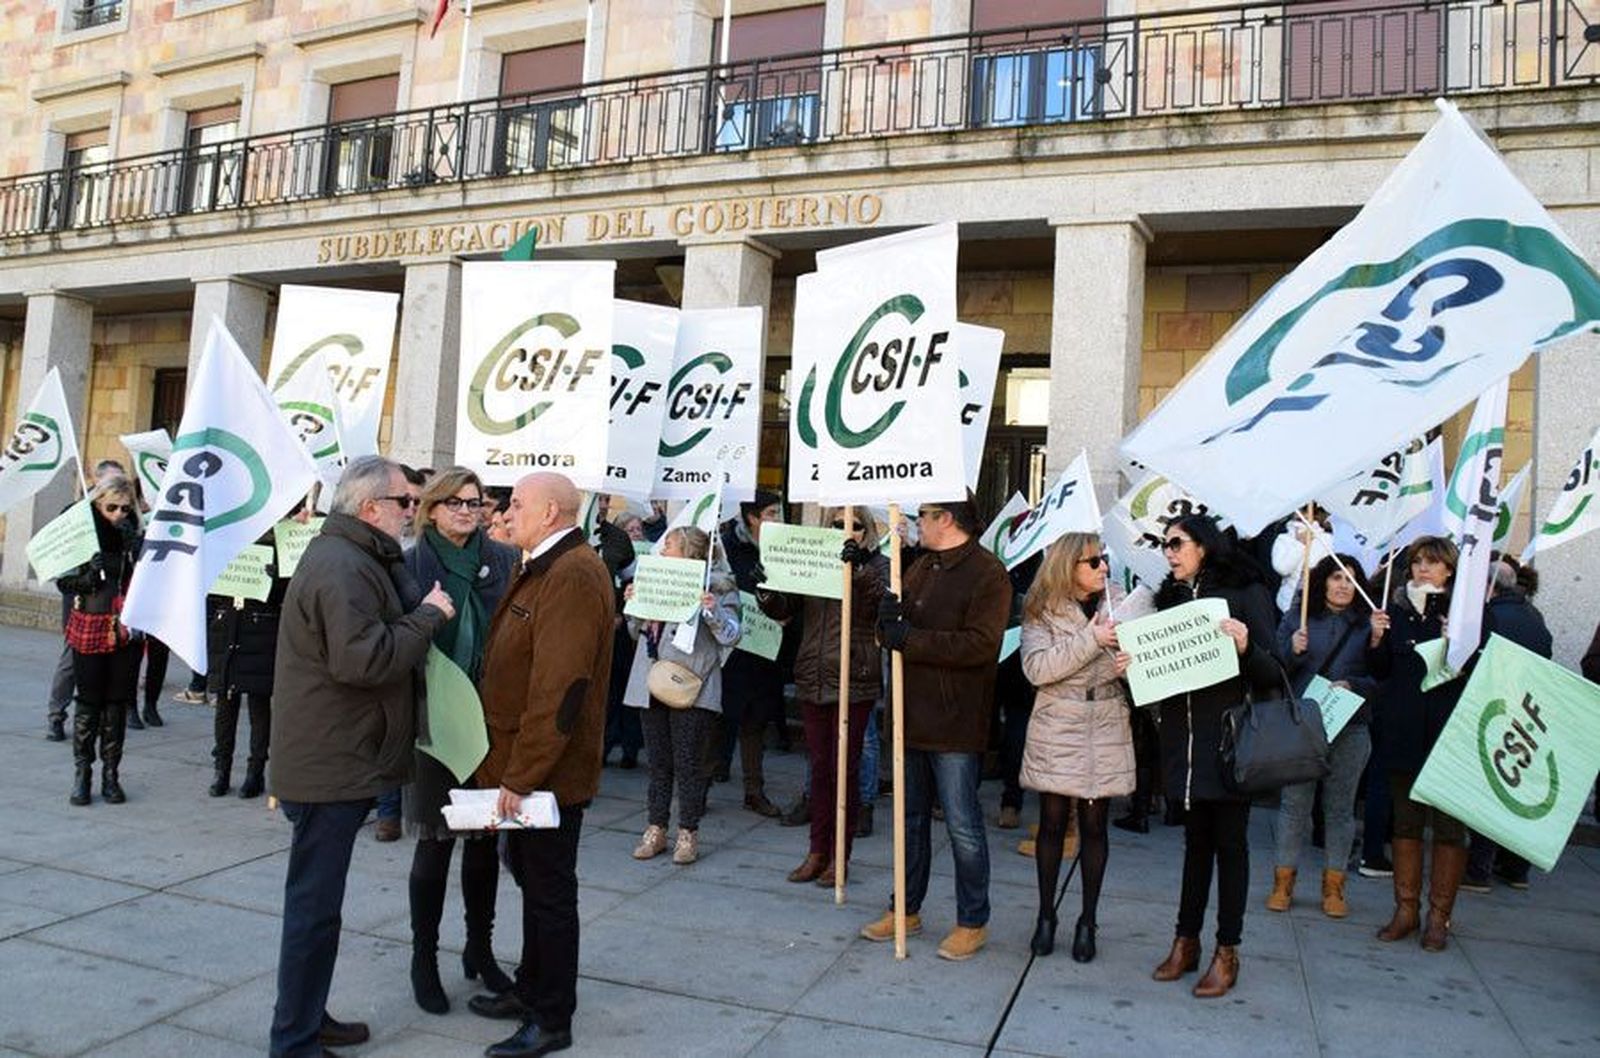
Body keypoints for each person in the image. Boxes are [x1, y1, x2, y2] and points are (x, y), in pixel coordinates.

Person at [267, 456, 455, 1058]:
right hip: (331, 763)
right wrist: (428, 616)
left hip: (340, 755)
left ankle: (305, 1019)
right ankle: (293, 1040)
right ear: (371, 508)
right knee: (313, 912)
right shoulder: (343, 565)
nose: (413, 512)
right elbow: (363, 660)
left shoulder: (358, 557)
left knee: (319, 911)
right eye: (406, 502)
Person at [466, 472, 614, 1058]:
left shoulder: (573, 573)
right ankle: (530, 989)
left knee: (550, 893)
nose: (507, 511)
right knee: (533, 883)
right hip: (521, 766)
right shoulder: (545, 564)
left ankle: (551, 1017)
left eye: (517, 503)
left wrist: (522, 775)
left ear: (551, 511)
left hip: (545, 775)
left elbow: (560, 689)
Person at [861, 498, 1011, 961]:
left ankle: (973, 919)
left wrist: (913, 639)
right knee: (909, 821)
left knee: (963, 824)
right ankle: (905, 908)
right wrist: (888, 620)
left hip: (954, 721)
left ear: (946, 519)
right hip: (909, 714)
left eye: (923, 515)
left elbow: (982, 645)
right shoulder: (923, 565)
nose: (915, 523)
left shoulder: (988, 574)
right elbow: (897, 627)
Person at [400, 467, 521, 1016]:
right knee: (434, 843)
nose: (468, 511)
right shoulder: (410, 563)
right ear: (432, 508)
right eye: (456, 503)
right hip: (435, 717)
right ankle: (423, 958)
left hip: (490, 717)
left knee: (482, 842)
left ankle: (480, 947)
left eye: (476, 502)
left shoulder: (501, 560)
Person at [1148, 514, 1280, 998]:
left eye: (1176, 543)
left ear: (1203, 546)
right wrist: (1131, 667)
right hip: (1183, 745)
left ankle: (1228, 950)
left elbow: (1274, 670)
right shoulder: (1170, 597)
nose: (1169, 552)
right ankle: (1186, 941)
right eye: (1164, 545)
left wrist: (1246, 648)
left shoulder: (1246, 592)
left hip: (1229, 743)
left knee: (1231, 846)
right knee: (1195, 846)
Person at [1018, 533, 1134, 963]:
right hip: (1058, 723)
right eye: (1092, 561)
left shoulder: (1121, 603)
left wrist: (1128, 668)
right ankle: (1046, 916)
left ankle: (1088, 921)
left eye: (1103, 559)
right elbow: (1038, 668)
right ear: (1069, 565)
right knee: (1051, 822)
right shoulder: (1041, 609)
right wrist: (1092, 640)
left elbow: (1139, 666)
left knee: (1095, 825)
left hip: (1104, 719)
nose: (1103, 567)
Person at [757, 506, 886, 887]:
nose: (845, 531)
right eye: (836, 524)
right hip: (813, 674)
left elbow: (881, 605)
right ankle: (816, 850)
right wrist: (766, 589)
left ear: (867, 531)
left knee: (844, 769)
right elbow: (787, 608)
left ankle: (839, 857)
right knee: (819, 767)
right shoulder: (814, 559)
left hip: (853, 677)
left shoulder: (877, 565)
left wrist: (858, 569)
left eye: (855, 525)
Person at [1366, 535, 1469, 953]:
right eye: (1417, 562)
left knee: (1447, 829)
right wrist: (1374, 639)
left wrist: (1461, 645)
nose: (1423, 569)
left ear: (1449, 570)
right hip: (1403, 732)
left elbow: (1483, 672)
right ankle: (1405, 910)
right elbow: (1380, 670)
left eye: (1432, 562)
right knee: (1405, 823)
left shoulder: (1465, 615)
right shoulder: (1395, 611)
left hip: (1449, 736)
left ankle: (1439, 917)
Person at [622, 526, 742, 866]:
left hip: (693, 684)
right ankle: (656, 827)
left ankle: (688, 831)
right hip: (652, 681)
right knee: (658, 762)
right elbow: (635, 632)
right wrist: (635, 605)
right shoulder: (654, 579)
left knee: (689, 763)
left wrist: (712, 610)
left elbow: (733, 635)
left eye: (669, 545)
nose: (662, 552)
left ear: (689, 551)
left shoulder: (718, 585)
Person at [1267, 554, 1378, 918]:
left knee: (1340, 809)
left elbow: (1383, 678)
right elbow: (1272, 669)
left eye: (1351, 578)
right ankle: (1283, 883)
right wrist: (1291, 651)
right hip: (1303, 726)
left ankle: (1334, 887)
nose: (1344, 585)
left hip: (1351, 727)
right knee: (1294, 806)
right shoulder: (1299, 618)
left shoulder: (1368, 626)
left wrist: (1357, 682)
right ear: (1322, 582)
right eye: (1336, 577)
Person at [1462, 560, 1553, 893]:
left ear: (1488, 587)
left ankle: (1478, 869)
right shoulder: (1534, 616)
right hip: (1525, 711)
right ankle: (1516, 868)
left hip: (1493, 708)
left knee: (1489, 787)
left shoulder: (1492, 617)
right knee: (1512, 788)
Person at [56, 475, 144, 806]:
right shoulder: (82, 534)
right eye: (111, 507)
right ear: (97, 503)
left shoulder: (134, 535)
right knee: (89, 701)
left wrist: (139, 556)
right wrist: (86, 578)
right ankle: (83, 773)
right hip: (90, 622)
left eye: (124, 507)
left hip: (125, 628)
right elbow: (63, 582)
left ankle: (111, 775)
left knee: (116, 703)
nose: (119, 513)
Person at [204, 525, 292, 799]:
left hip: (259, 628)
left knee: (258, 702)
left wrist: (276, 581)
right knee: (225, 702)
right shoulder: (222, 539)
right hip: (228, 624)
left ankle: (255, 771)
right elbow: (209, 590)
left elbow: (287, 591)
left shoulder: (277, 542)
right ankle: (222, 770)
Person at [715, 491, 785, 816]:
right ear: (752, 517)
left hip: (767, 651)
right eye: (771, 513)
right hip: (733, 651)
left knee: (756, 722)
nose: (777, 519)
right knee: (720, 719)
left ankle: (754, 792)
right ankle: (698, 790)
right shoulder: (730, 548)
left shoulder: (783, 549)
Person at [603, 509, 647, 769]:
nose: (602, 504)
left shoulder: (618, 539)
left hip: (618, 633)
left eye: (607, 500)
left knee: (622, 687)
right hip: (586, 629)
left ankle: (629, 748)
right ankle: (603, 747)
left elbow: (631, 580)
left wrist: (620, 611)